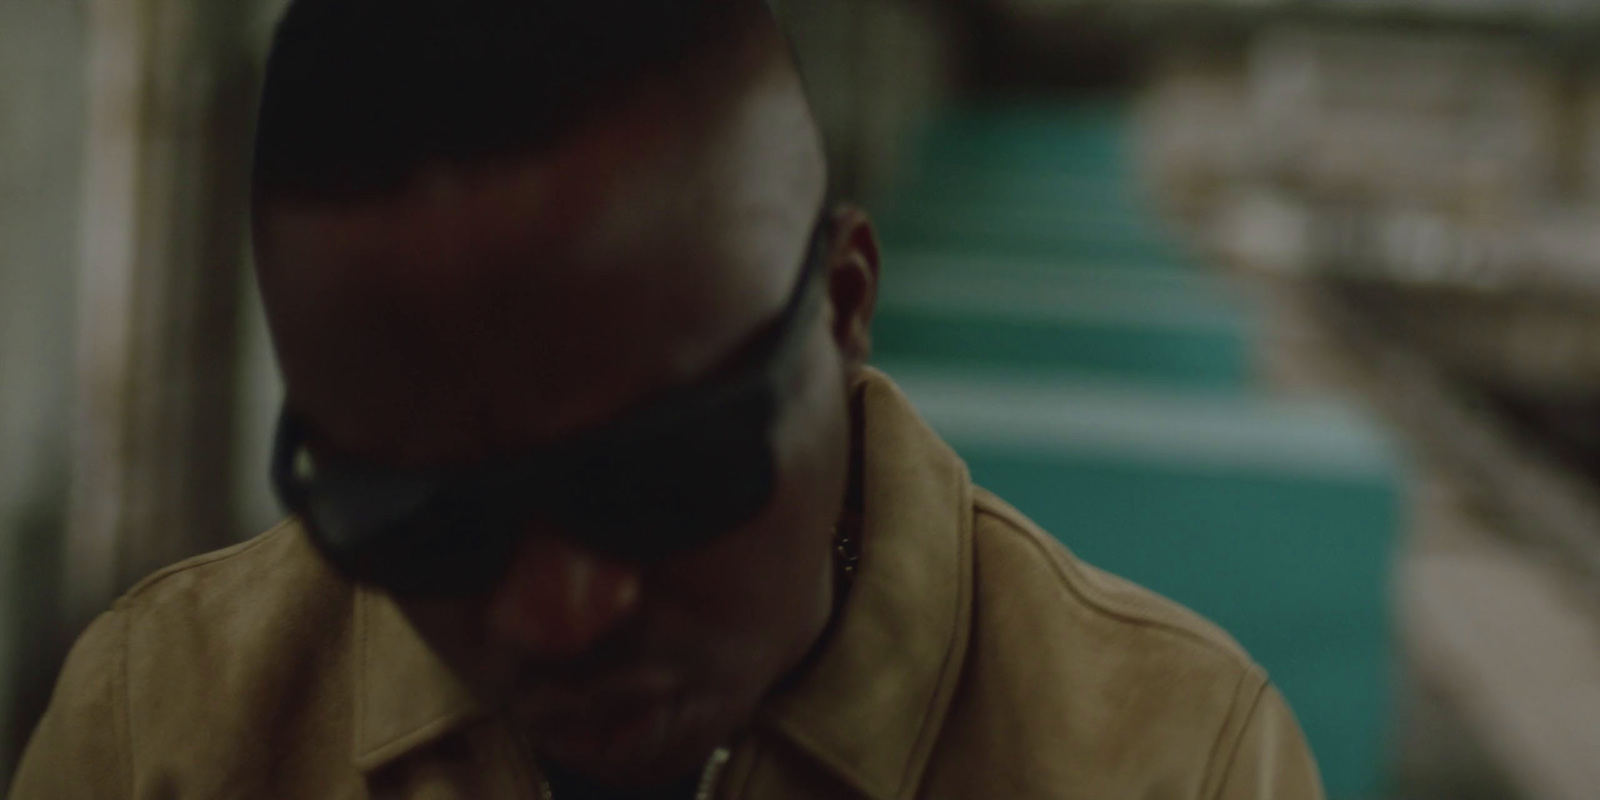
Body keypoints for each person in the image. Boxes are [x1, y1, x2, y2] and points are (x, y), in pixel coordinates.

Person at [10, 1, 1324, 797]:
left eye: (657, 471)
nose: (557, 611)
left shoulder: (1170, 762)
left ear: (842, 305)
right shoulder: (162, 735)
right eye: (416, 513)